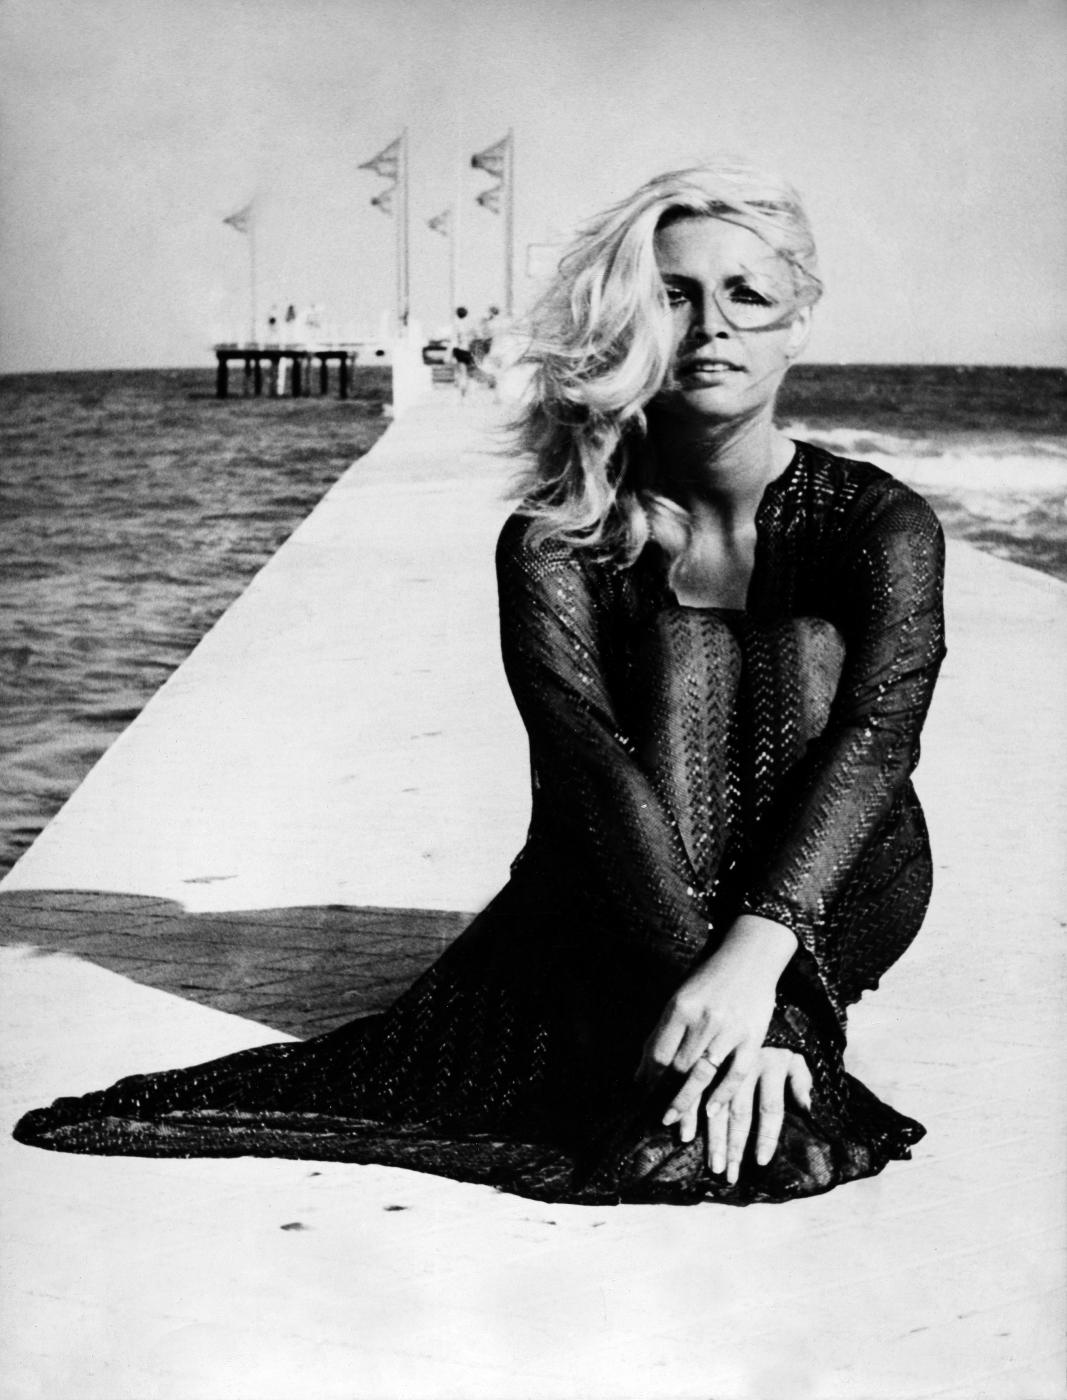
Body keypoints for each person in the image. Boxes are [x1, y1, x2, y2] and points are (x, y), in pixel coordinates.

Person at [14, 160, 946, 1206]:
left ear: (798, 320)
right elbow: (589, 773)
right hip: (623, 876)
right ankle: (748, 1021)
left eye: (746, 295)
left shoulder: (877, 523)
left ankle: (764, 1004)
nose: (710, 327)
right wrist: (741, 1007)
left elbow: (875, 741)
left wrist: (757, 972)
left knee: (794, 656)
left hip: (840, 878)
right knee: (685, 668)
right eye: (674, 295)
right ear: (630, 317)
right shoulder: (559, 538)